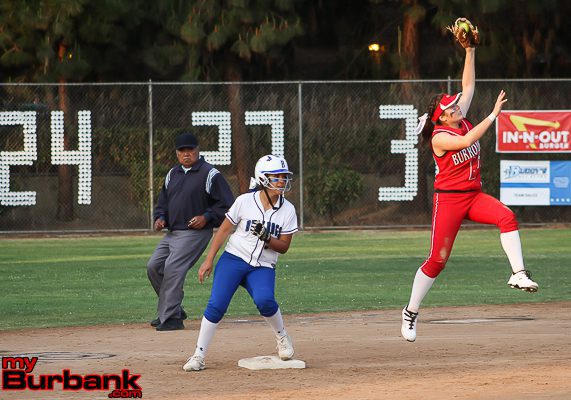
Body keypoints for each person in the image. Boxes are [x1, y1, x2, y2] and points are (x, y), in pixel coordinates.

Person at [401, 46, 539, 342]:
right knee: (437, 260)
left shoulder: (456, 117)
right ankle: (411, 311)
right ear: (441, 118)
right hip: (449, 201)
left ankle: (518, 273)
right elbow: (466, 141)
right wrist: (492, 116)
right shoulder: (440, 136)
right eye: (450, 108)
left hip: (473, 196)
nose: (456, 107)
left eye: (455, 104)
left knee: (507, 217)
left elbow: (469, 85)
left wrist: (470, 50)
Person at [183, 154, 298, 371]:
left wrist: (267, 237)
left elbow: (284, 247)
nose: (282, 181)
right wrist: (209, 259)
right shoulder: (245, 201)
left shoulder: (288, 210)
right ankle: (198, 355)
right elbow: (224, 230)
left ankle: (282, 337)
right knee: (217, 304)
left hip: (263, 265)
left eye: (284, 176)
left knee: (265, 300)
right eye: (276, 177)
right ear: (263, 178)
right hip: (234, 259)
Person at [147, 132, 234, 331]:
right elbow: (163, 203)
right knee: (154, 266)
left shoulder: (210, 174)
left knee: (173, 268)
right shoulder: (172, 174)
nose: (186, 154)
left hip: (195, 233)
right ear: (177, 153)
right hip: (172, 233)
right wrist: (160, 218)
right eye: (182, 150)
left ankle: (171, 318)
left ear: (198, 150)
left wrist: (207, 217)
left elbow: (227, 205)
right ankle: (173, 309)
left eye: (190, 149)